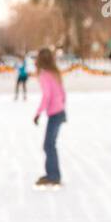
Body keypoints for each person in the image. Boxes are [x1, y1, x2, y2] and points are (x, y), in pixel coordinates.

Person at [32, 47, 67, 188]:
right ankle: (52, 174)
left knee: (49, 145)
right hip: (60, 112)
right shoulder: (55, 73)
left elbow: (47, 96)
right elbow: (63, 94)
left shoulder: (45, 75)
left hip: (55, 114)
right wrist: (62, 108)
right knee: (50, 145)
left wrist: (38, 113)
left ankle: (53, 176)